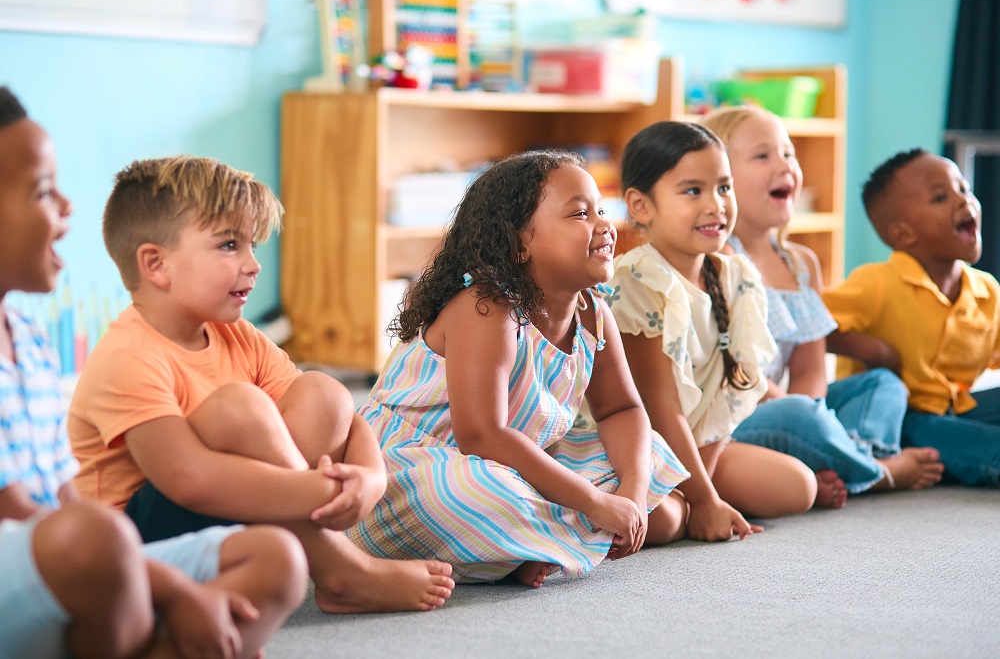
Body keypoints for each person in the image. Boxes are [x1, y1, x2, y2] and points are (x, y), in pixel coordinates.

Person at [68, 155, 455, 612]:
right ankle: (342, 568)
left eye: (252, 245)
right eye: (229, 245)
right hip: (132, 548)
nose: (253, 264)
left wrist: (369, 479)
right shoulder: (127, 358)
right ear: (156, 264)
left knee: (323, 391)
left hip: (230, 521)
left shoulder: (238, 336)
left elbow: (347, 421)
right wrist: (325, 492)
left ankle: (321, 558)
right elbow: (188, 480)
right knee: (240, 407)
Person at [0, 85, 306, 659]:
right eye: (43, 191)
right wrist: (174, 588)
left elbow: (61, 495)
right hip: (47, 556)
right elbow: (23, 515)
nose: (67, 206)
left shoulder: (30, 342)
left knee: (280, 560)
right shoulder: (126, 352)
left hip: (82, 549)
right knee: (96, 537)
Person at [346, 149, 690, 587]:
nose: (604, 225)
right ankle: (550, 537)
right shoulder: (487, 308)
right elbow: (482, 436)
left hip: (515, 460)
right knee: (471, 493)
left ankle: (528, 545)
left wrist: (633, 496)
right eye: (580, 214)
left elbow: (621, 410)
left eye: (601, 210)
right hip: (416, 469)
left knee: (651, 460)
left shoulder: (594, 314)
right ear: (519, 243)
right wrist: (594, 503)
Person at [701, 106, 943, 505]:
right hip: (740, 413)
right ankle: (879, 471)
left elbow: (811, 370)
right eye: (763, 156)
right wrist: (804, 415)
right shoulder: (719, 259)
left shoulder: (801, 264)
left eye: (789, 153)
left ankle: (847, 457)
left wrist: (811, 411)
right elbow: (739, 378)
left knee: (883, 384)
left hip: (797, 410)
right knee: (800, 417)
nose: (784, 165)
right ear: (719, 180)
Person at [609, 121, 818, 542]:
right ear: (641, 205)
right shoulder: (635, 281)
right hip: (629, 447)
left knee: (800, 486)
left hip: (697, 444)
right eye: (693, 191)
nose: (715, 205)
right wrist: (704, 501)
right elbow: (661, 408)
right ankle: (678, 501)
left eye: (724, 187)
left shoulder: (735, 275)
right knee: (666, 522)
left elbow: (731, 393)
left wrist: (700, 481)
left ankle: (688, 495)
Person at [823, 148, 1000, 487]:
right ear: (903, 234)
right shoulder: (876, 283)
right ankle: (889, 460)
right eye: (940, 197)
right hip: (897, 420)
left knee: (962, 430)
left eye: (963, 189)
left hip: (959, 409)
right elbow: (810, 324)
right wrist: (874, 351)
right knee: (973, 441)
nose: (964, 201)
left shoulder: (987, 290)